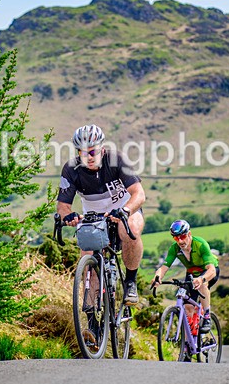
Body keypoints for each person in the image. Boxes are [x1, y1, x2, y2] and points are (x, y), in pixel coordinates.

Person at [57, 124, 146, 306]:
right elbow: (62, 206)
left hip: (124, 209)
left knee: (130, 228)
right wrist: (68, 216)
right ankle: (91, 320)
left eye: (92, 152)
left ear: (101, 149)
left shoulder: (117, 159)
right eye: (82, 153)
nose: (88, 157)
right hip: (94, 217)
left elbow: (139, 194)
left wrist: (126, 210)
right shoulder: (70, 169)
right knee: (87, 259)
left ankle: (130, 282)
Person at [150, 219, 220, 334]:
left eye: (182, 236)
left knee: (203, 285)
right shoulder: (175, 248)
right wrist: (157, 276)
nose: (180, 240)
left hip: (208, 272)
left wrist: (202, 279)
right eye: (176, 238)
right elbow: (164, 267)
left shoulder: (200, 244)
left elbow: (211, 270)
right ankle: (189, 341)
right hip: (192, 273)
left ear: (189, 234)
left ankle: (207, 316)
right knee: (188, 307)